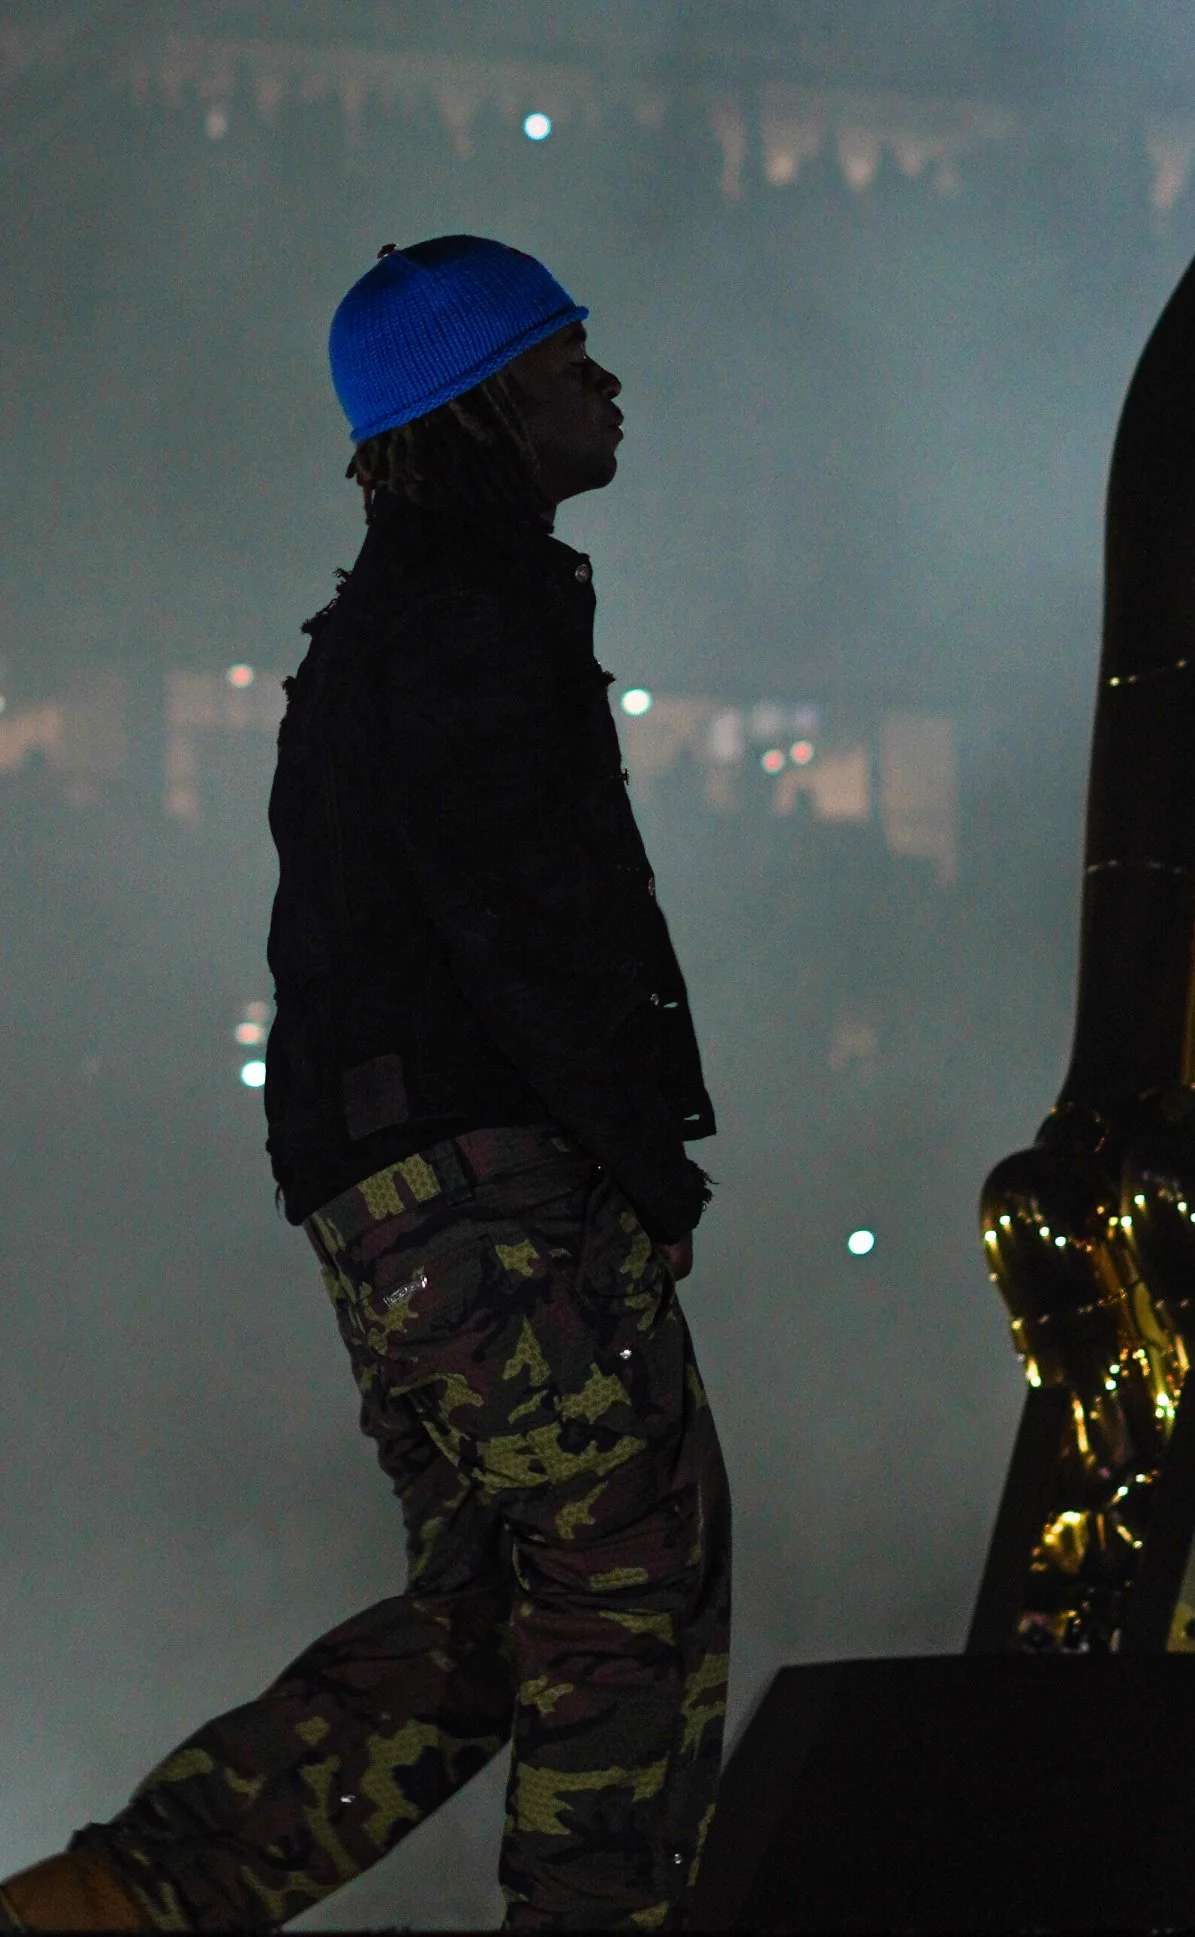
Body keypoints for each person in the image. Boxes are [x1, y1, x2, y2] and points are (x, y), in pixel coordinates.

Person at [0, 235, 730, 1932]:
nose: (606, 385)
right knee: (634, 1597)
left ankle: (116, 1905)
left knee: (488, 1628)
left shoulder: (382, 634)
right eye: (569, 361)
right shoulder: (473, 620)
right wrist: (642, 1162)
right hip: (497, 1197)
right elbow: (524, 919)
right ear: (489, 406)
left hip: (396, 1209)